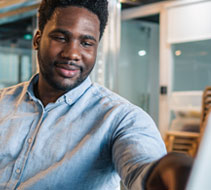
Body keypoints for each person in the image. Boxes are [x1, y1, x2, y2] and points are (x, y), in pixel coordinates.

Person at [0, 0, 192, 189]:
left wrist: (167, 169)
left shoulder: (120, 118)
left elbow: (143, 165)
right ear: (37, 39)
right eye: (61, 38)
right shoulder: (3, 101)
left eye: (86, 43)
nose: (73, 53)